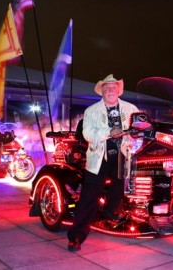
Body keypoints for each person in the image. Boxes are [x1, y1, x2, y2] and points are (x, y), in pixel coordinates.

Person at [67, 74, 139, 252]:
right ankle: (76, 236)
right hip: (98, 157)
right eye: (107, 88)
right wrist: (109, 131)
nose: (111, 90)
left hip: (123, 156)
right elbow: (88, 134)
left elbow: (139, 130)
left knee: (119, 191)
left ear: (118, 90)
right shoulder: (91, 111)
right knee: (88, 197)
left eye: (114, 87)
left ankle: (111, 215)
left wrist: (136, 143)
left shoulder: (131, 109)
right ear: (102, 91)